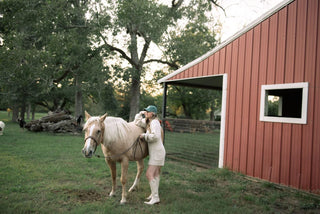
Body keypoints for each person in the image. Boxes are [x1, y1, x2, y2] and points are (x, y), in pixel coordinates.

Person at [134, 105, 166, 205]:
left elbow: (156, 137)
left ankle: (156, 197)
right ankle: (154, 195)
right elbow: (137, 122)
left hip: (157, 152)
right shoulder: (149, 122)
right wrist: (140, 114)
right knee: (155, 174)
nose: (145, 112)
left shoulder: (155, 122)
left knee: (149, 174)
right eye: (145, 111)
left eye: (147, 111)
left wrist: (144, 136)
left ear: (152, 113)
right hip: (156, 152)